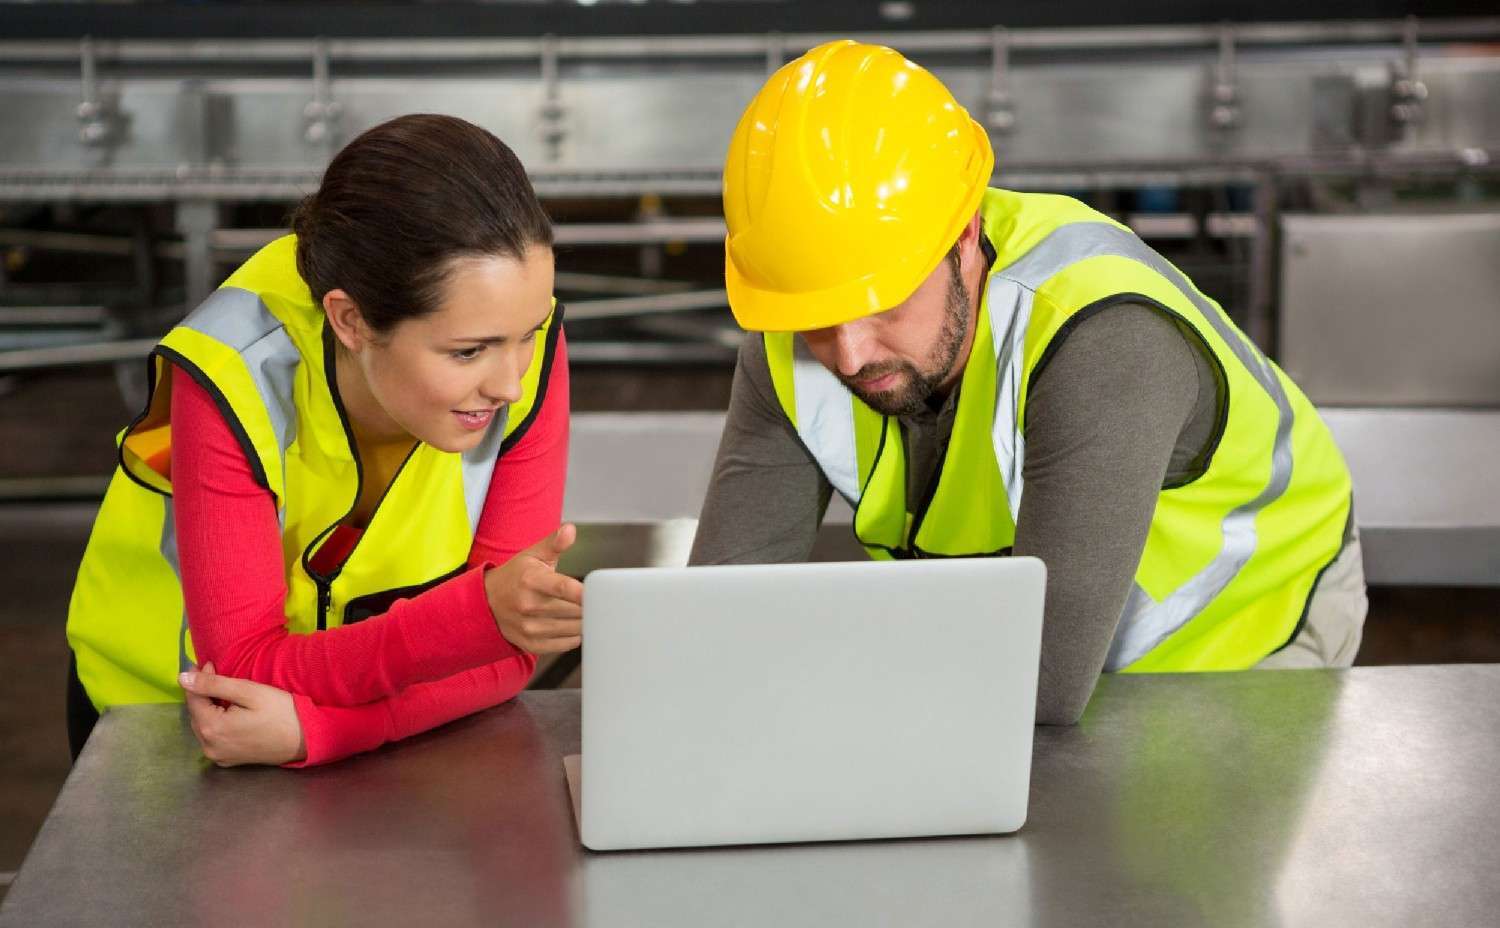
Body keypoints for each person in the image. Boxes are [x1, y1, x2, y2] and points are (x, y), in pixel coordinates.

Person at [689, 40, 1367, 723]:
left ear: (963, 235)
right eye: (816, 317)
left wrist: (792, 646)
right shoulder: (791, 332)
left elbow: (1039, 682)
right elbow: (720, 617)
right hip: (1017, 665)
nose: (849, 353)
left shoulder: (1100, 335)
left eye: (884, 302)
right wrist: (654, 638)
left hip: (1248, 649)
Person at [66, 114, 584, 766]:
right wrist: (474, 622)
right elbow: (244, 672)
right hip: (154, 726)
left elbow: (508, 658)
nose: (511, 381)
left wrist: (330, 730)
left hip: (327, 721)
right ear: (350, 320)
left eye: (529, 334)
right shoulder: (231, 373)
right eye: (468, 351)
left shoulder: (516, 335)